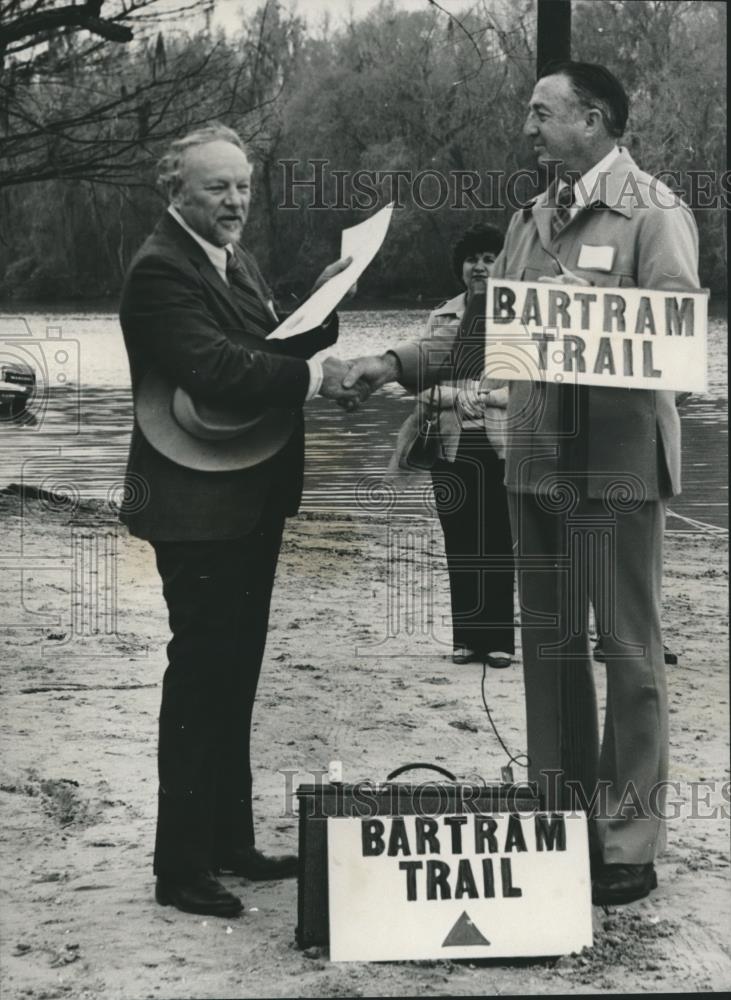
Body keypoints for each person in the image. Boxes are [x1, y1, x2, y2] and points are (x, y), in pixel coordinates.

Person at [341, 61, 700, 907]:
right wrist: (385, 364)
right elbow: (476, 341)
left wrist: (588, 318)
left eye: (542, 114)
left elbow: (677, 353)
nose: (528, 130)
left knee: (627, 653)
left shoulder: (656, 213)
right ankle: (558, 819)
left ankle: (627, 839)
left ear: (595, 118)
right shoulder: (529, 219)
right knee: (547, 651)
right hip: (533, 462)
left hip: (614, 468)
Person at [118, 123, 362, 918]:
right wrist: (317, 378)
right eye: (217, 187)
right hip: (194, 504)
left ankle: (228, 841)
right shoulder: (159, 270)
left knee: (235, 673)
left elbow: (269, 344)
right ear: (175, 190)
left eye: (244, 187)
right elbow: (217, 368)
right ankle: (180, 866)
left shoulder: (235, 260)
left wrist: (329, 300)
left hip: (247, 495)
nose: (234, 202)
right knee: (199, 676)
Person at [388, 224, 515, 668]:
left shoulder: (522, 316)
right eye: (472, 259)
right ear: (460, 266)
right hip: (450, 443)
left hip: (503, 444)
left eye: (489, 257)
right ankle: (467, 638)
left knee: (499, 540)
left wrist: (476, 397)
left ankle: (499, 641)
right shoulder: (441, 316)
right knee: (459, 539)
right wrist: (460, 398)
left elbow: (531, 389)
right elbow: (420, 385)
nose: (479, 266)